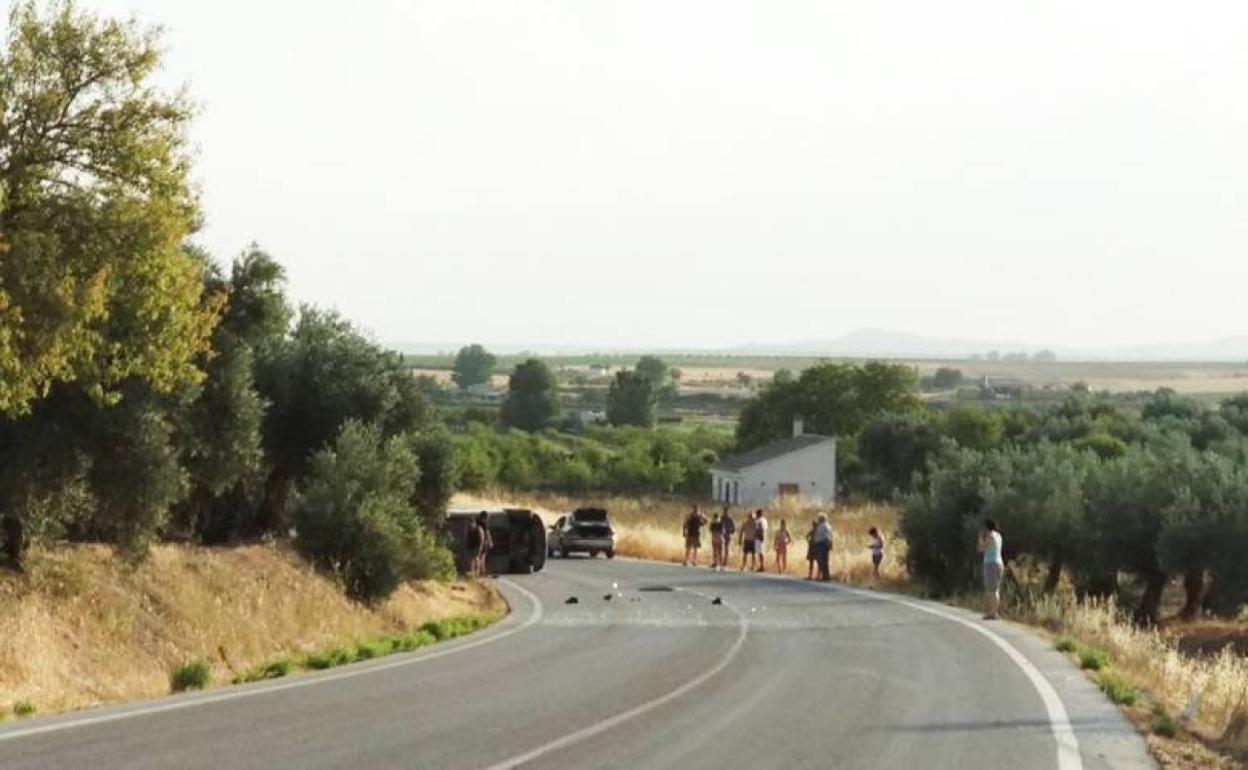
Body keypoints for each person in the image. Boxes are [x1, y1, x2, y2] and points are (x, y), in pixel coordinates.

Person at [977, 518, 1004, 620]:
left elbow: (981, 548)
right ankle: (993, 612)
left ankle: (993, 613)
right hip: (999, 562)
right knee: (995, 589)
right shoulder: (999, 536)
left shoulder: (991, 535)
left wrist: (980, 538)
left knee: (991, 590)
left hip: (991, 563)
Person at [812, 514, 832, 581]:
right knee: (823, 561)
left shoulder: (825, 526)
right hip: (821, 544)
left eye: (819, 518)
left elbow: (828, 535)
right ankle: (825, 576)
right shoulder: (822, 525)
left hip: (822, 544)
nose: (818, 519)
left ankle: (822, 576)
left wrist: (828, 543)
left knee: (821, 561)